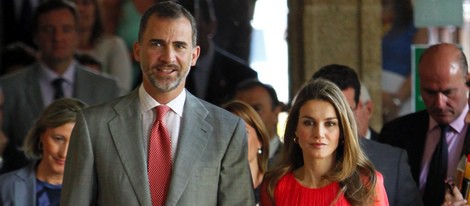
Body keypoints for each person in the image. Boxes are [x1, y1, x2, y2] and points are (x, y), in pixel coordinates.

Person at [61, 2, 254, 205]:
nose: (168, 57)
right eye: (157, 44)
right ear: (137, 51)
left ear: (194, 55)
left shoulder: (227, 131)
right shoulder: (93, 126)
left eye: (179, 46)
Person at [0, 0, 120, 174]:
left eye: (66, 29)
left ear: (78, 35)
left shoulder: (106, 88)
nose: (57, 37)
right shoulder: (8, 87)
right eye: (49, 30)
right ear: (35, 35)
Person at [260, 79, 389, 205]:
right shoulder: (273, 186)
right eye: (309, 123)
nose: (319, 134)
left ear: (342, 131)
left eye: (330, 123)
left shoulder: (366, 185)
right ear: (295, 129)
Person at [312, 64, 423, 206]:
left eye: (345, 111)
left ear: (359, 108)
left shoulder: (391, 163)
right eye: (327, 111)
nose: (336, 121)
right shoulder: (287, 169)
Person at [379, 43, 470, 206]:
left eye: (448, 92)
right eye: (430, 92)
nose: (439, 103)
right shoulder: (394, 134)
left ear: (467, 81)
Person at [0, 98, 87, 206]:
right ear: (41, 135)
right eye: (58, 139)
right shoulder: (4, 187)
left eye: (76, 141)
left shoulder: (100, 191)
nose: (64, 153)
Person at [182, 0, 258, 106]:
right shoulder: (172, 69)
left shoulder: (241, 75)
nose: (189, 38)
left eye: (197, 30)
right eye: (183, 32)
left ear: (211, 26)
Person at [73, 0, 133, 94]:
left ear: (96, 9)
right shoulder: (58, 48)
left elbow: (121, 91)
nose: (79, 9)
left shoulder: (113, 45)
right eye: (73, 3)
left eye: (85, 3)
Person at [223, 100, 269, 204]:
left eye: (243, 132)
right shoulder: (214, 188)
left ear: (260, 140)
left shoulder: (275, 187)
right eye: (228, 133)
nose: (235, 140)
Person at [234, 79, 283, 168]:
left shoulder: (293, 160)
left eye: (256, 109)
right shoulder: (225, 161)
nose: (247, 117)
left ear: (275, 114)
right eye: (240, 111)